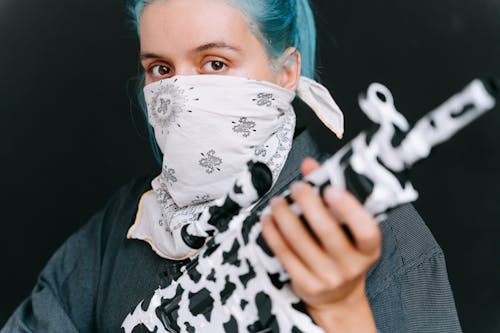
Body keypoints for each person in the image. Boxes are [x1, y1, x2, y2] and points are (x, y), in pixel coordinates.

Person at [1, 0, 462, 332]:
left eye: (215, 62)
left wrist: (343, 312)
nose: (181, 93)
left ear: (286, 72)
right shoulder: (126, 222)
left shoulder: (381, 233)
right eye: (161, 69)